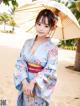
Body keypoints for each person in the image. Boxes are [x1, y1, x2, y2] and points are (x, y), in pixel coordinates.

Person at [14, 9, 58, 106]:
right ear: (35, 24)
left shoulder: (52, 48)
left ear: (52, 28)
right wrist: (24, 81)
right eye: (38, 24)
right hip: (25, 80)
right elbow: (20, 62)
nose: (41, 28)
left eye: (46, 26)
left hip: (39, 85)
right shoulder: (27, 42)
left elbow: (50, 70)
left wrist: (33, 82)